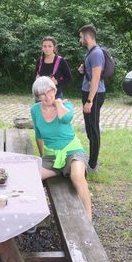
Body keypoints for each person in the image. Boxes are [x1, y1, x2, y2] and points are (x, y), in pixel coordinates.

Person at [31, 76, 92, 221]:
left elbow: (65, 118)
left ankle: (88, 216)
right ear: (37, 97)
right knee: (32, 178)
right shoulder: (35, 110)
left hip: (72, 151)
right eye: (42, 94)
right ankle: (36, 216)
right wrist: (42, 157)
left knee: (77, 176)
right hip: (52, 156)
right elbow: (38, 135)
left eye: (50, 91)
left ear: (55, 90)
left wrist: (58, 104)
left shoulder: (66, 105)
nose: (48, 96)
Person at [77, 24, 105, 172]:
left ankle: (93, 165)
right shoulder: (91, 53)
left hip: (94, 95)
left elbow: (95, 79)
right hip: (88, 93)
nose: (80, 40)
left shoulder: (96, 53)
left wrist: (89, 100)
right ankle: (92, 159)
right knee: (89, 128)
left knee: (93, 128)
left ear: (87, 37)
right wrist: (83, 69)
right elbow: (90, 74)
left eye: (81, 37)